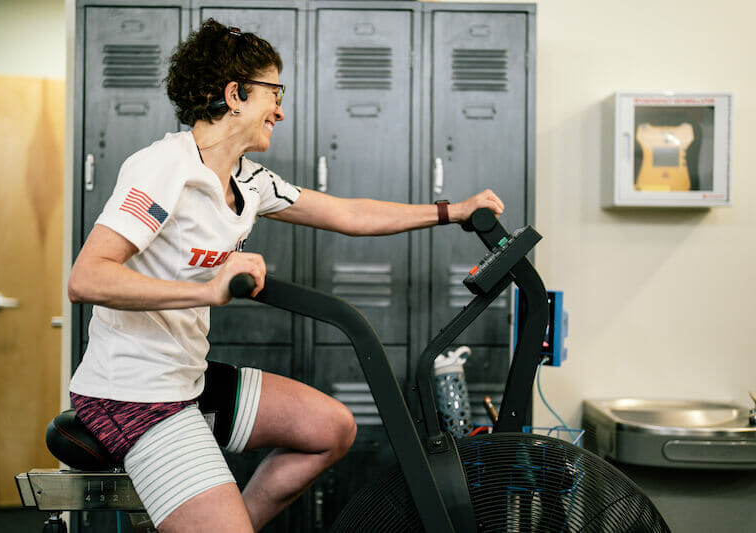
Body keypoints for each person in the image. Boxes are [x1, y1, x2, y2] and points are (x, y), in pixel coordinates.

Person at [67, 19, 505, 533]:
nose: (280, 109)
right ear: (235, 95)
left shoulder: (248, 180)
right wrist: (208, 289)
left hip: (187, 379)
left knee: (331, 429)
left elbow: (348, 214)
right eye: (274, 93)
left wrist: (453, 211)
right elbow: (88, 277)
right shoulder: (165, 167)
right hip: (133, 394)